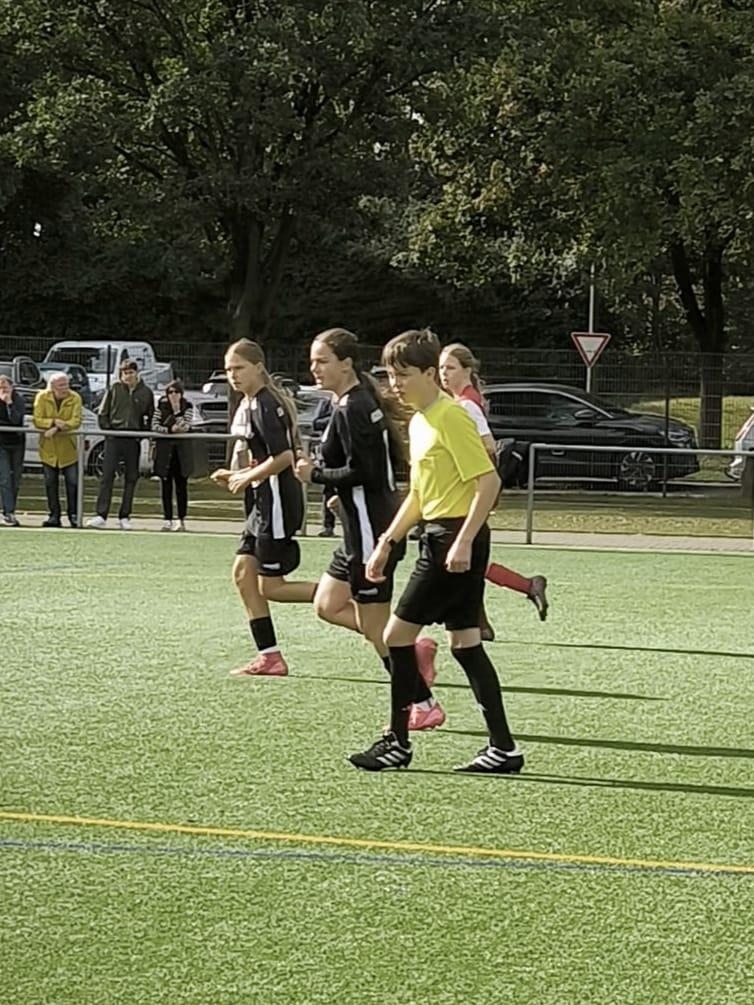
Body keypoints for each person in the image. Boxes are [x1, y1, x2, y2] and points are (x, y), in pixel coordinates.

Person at [350, 329, 523, 774]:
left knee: (395, 636)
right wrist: (387, 541)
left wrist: (463, 539)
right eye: (391, 376)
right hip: (442, 535)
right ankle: (504, 749)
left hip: (451, 539)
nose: (396, 384)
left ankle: (397, 742)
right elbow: (419, 495)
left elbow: (489, 481)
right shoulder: (420, 421)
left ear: (431, 374)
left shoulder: (451, 416)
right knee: (465, 645)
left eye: (404, 375)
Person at [295, 328, 442, 731]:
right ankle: (413, 649)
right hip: (356, 526)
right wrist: (339, 496)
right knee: (327, 605)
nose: (314, 368)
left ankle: (423, 702)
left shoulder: (353, 408)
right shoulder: (354, 401)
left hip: (369, 533)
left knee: (378, 631)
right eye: (313, 361)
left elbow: (365, 472)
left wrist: (315, 475)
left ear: (346, 364)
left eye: (322, 361)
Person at [210, 339, 319, 677]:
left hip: (277, 505)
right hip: (261, 504)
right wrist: (236, 475)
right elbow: (263, 459)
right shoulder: (252, 402)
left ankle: (347, 598)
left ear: (258, 367)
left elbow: (283, 457)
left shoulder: (265, 403)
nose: (233, 375)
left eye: (239, 368)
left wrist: (247, 478)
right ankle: (269, 656)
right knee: (244, 574)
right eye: (228, 369)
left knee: (271, 587)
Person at [439, 342, 549, 626]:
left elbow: (488, 445)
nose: (443, 373)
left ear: (467, 370)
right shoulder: (462, 402)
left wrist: (471, 474)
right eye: (441, 368)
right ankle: (486, 616)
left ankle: (486, 613)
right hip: (470, 491)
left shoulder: (466, 405)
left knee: (461, 556)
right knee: (465, 558)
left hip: (471, 492)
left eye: (450, 367)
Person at [87, 359, 154, 530]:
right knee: (107, 476)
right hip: (114, 437)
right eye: (125, 373)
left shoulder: (146, 392)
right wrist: (108, 431)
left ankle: (125, 516)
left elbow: (150, 415)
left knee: (131, 477)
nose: (128, 376)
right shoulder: (114, 388)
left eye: (131, 372)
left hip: (132, 439)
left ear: (137, 373)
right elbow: (103, 412)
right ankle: (101, 514)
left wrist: (142, 434)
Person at [32, 372, 82, 528]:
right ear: (52, 386)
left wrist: (57, 429)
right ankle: (54, 515)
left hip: (68, 449)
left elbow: (76, 421)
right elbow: (37, 420)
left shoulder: (75, 398)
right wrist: (53, 422)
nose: (65, 388)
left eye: (66, 384)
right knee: (50, 484)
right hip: (48, 449)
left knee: (73, 483)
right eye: (61, 385)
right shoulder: (41, 397)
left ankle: (74, 515)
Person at [152, 380, 194, 531]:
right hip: (165, 452)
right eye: (170, 392)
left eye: (176, 392)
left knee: (181, 486)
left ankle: (181, 519)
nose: (173, 395)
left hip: (181, 452)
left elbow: (186, 426)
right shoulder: (161, 407)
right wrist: (169, 430)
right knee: (166, 486)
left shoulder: (188, 406)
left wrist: (177, 412)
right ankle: (167, 519)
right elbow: (155, 426)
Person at [0, 374, 25, 526]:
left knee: (15, 479)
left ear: (11, 387)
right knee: (5, 479)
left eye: (5, 387)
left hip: (17, 443)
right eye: (0, 388)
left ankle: (10, 510)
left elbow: (16, 420)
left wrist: (9, 403)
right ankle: (8, 513)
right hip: (1, 443)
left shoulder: (18, 400)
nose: (3, 390)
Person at [310, 392, 337, 537]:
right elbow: (316, 423)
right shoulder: (326, 404)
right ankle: (328, 526)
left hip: (346, 454)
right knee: (328, 492)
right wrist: (337, 416)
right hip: (328, 456)